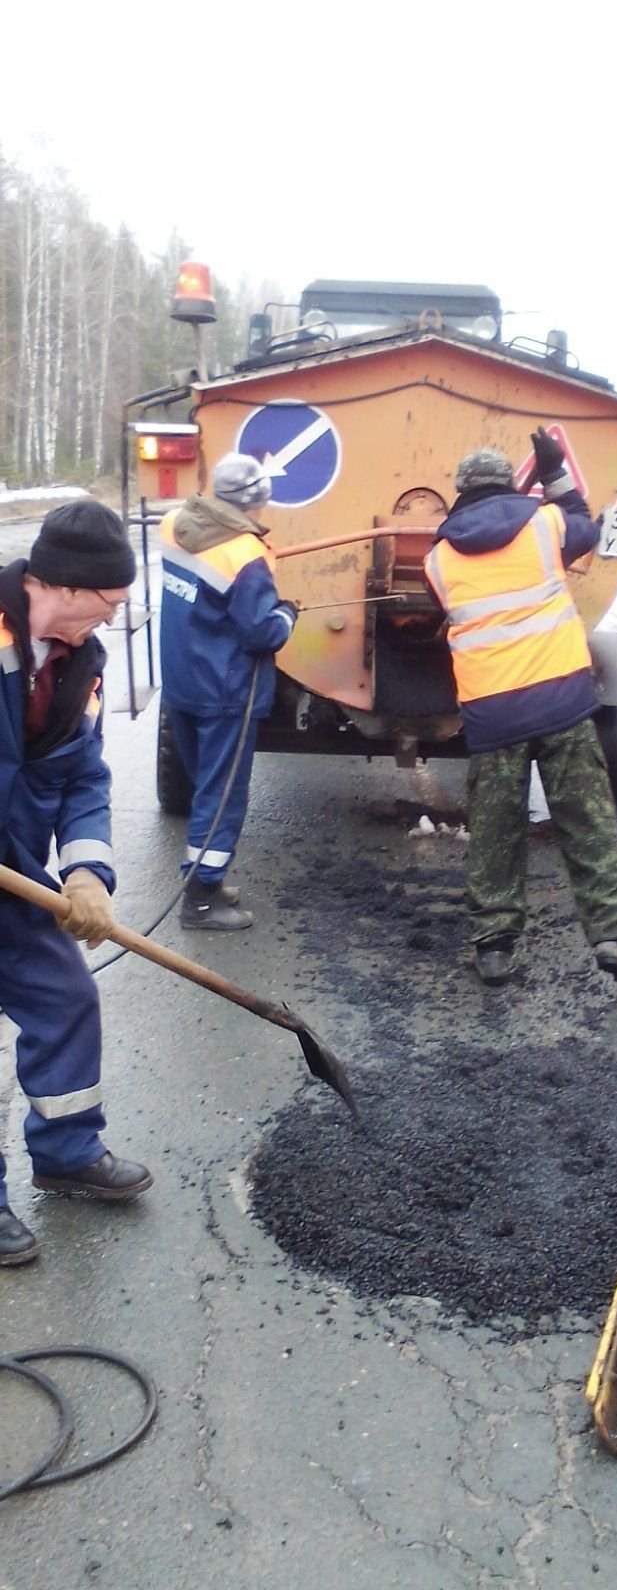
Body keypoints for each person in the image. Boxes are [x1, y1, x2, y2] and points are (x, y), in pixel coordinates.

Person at [424, 430, 617, 990]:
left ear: (460, 494)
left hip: (492, 715)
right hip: (562, 704)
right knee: (590, 826)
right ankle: (613, 938)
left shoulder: (438, 559)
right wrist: (555, 476)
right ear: (508, 483)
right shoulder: (546, 525)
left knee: (497, 835)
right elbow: (585, 526)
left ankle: (494, 946)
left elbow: (448, 610)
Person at [0, 501, 153, 1267]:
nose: (116, 617)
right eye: (111, 602)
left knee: (65, 998)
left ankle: (65, 1153)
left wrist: (86, 870)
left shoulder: (81, 664)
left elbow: (85, 777)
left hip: (15, 877)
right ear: (65, 586)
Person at [159, 452, 297, 930]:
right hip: (226, 690)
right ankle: (199, 901)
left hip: (183, 680)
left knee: (205, 787)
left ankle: (209, 880)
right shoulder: (245, 554)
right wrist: (287, 614)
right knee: (221, 796)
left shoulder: (175, 523)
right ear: (257, 498)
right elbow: (263, 633)